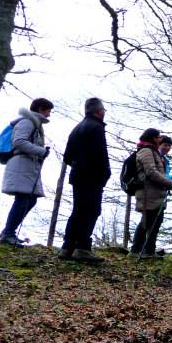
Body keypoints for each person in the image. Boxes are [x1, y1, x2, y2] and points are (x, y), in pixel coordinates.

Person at [60, 97, 110, 264]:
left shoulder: (77, 128)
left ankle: (68, 246)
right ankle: (82, 247)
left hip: (77, 175)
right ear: (99, 111)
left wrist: (78, 163)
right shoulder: (96, 128)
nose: (104, 113)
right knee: (91, 211)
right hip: (92, 177)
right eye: (103, 110)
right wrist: (105, 174)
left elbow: (67, 157)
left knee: (78, 210)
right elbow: (100, 155)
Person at [0, 98, 54, 247]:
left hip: (27, 166)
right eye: (48, 111)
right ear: (41, 109)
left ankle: (8, 231)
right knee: (23, 199)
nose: (49, 115)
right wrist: (41, 151)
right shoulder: (27, 122)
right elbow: (19, 141)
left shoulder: (33, 123)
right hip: (21, 165)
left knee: (30, 199)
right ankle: (8, 233)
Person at [130, 128, 172, 259]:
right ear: (152, 138)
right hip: (148, 192)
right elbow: (151, 171)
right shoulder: (146, 151)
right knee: (148, 221)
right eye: (158, 136)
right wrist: (168, 182)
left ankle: (147, 250)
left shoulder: (152, 151)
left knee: (154, 221)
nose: (160, 138)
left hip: (154, 192)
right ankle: (139, 250)